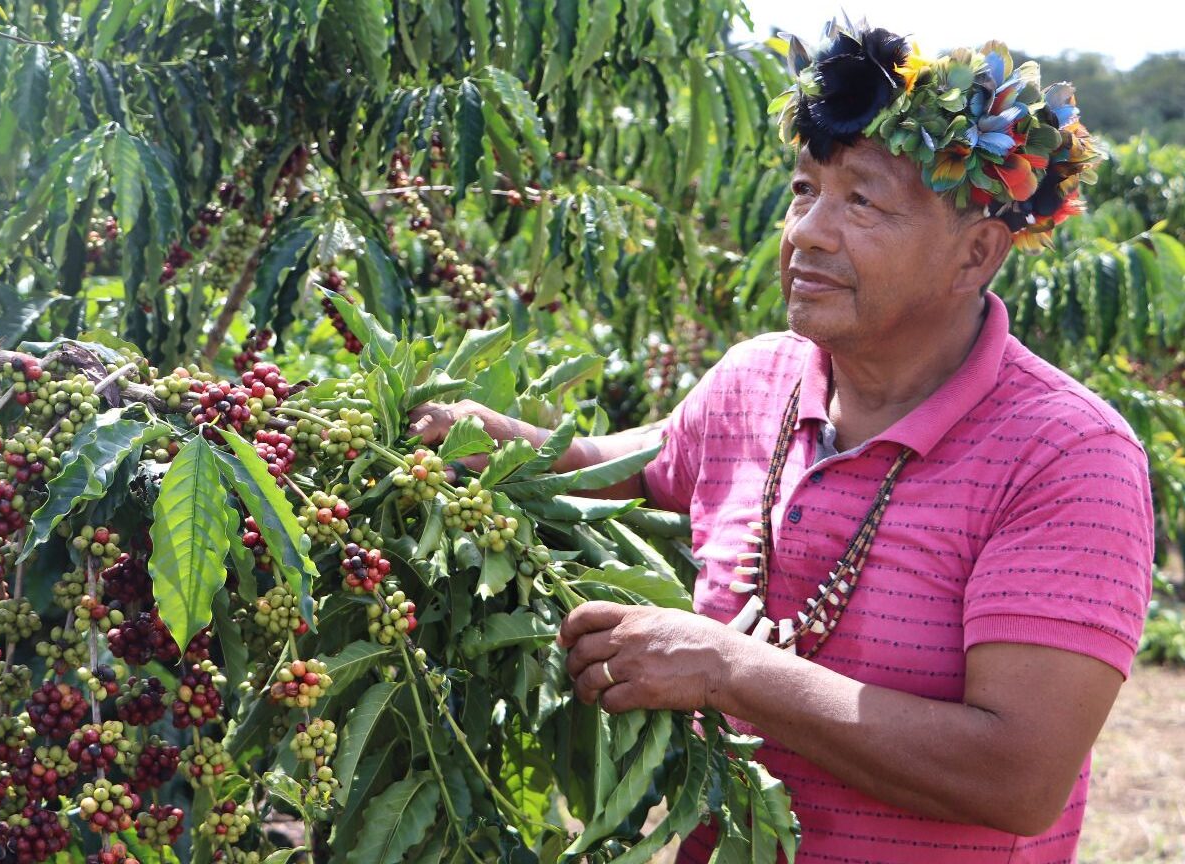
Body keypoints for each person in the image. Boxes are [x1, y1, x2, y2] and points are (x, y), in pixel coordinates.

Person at [407, 22, 1152, 863]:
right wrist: (500, 444)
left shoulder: (1067, 456)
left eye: (862, 201)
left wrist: (731, 671)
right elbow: (629, 468)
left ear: (976, 253)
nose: (805, 232)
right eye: (805, 190)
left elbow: (1017, 777)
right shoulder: (758, 379)